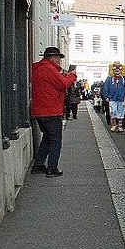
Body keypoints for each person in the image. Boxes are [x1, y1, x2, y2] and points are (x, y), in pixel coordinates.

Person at [30, 46, 77, 177]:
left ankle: (38, 165)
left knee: (47, 138)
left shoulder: (39, 69)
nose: (59, 61)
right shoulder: (49, 69)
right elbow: (63, 84)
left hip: (40, 111)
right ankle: (52, 168)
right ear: (53, 58)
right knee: (56, 140)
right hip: (50, 110)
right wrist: (72, 76)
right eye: (58, 58)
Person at [103, 61, 125, 132]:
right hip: (112, 98)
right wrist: (106, 96)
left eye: (119, 70)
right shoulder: (109, 79)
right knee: (113, 111)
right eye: (115, 70)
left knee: (121, 112)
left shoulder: (124, 79)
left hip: (121, 98)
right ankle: (114, 125)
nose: (117, 72)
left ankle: (120, 126)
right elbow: (105, 88)